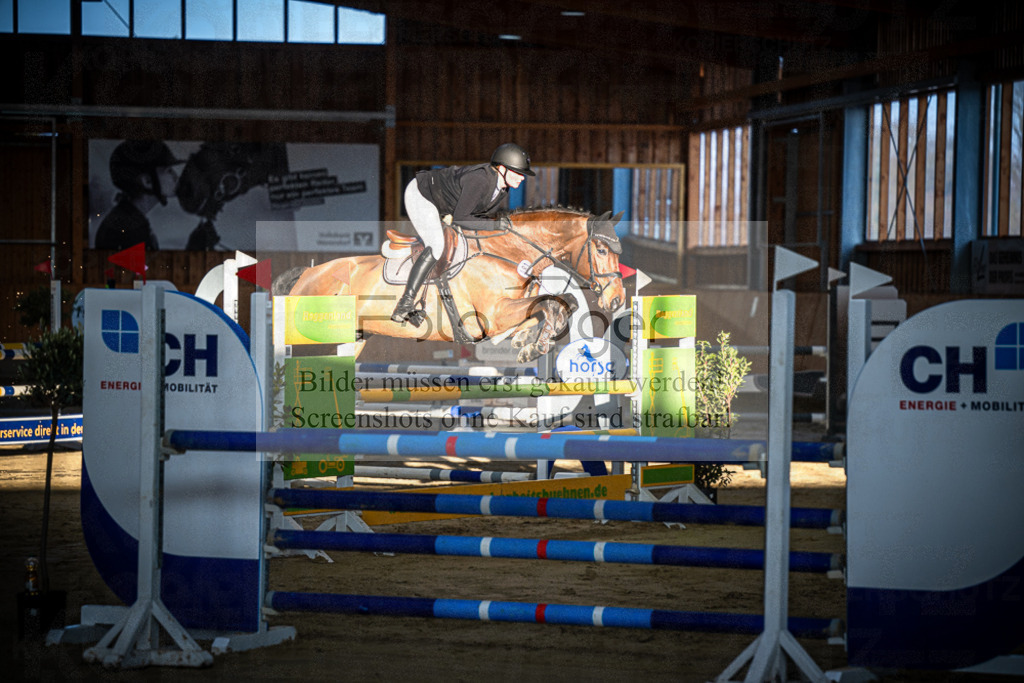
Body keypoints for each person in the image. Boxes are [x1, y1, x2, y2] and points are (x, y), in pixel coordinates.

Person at [391, 142, 535, 324]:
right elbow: (461, 219)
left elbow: (477, 217)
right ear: (502, 168)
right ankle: (405, 304)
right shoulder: (480, 179)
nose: (522, 178)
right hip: (422, 195)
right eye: (518, 172)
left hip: (442, 204)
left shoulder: (502, 188)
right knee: (436, 245)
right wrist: (497, 225)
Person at [94, 140, 183, 251]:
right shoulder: (130, 229)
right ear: (147, 181)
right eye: (169, 171)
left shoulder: (129, 220)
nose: (175, 176)